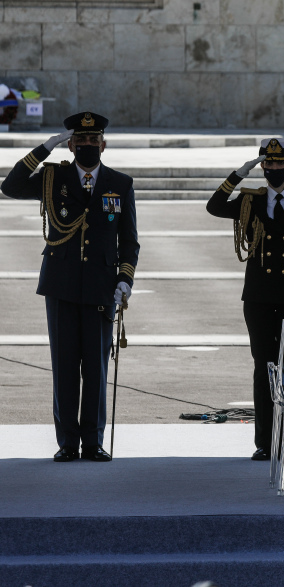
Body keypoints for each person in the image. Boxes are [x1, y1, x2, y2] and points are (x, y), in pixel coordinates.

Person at [0, 111, 139, 462]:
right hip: (61, 285)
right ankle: (67, 443)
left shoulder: (120, 184)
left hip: (100, 287)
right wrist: (44, 148)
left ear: (103, 145)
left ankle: (92, 442)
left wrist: (124, 279)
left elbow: (130, 241)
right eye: (81, 140)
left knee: (95, 367)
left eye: (94, 141)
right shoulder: (53, 178)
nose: (88, 145)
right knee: (64, 367)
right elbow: (10, 186)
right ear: (72, 144)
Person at [206, 138, 284, 461]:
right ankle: (265, 443)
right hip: (257, 298)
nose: (274, 169)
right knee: (263, 366)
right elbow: (214, 206)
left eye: (280, 164)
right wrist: (239, 174)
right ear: (263, 166)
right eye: (269, 164)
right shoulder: (248, 201)